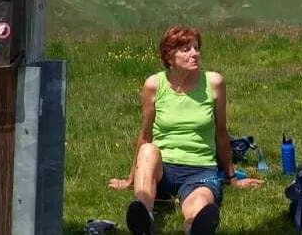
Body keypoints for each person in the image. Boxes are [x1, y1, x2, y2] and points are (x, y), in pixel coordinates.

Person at [108, 26, 263, 235]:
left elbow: (221, 132)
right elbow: (145, 135)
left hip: (200, 169)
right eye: (186, 49)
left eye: (196, 48)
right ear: (170, 56)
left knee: (199, 205)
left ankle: (193, 227)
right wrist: (130, 178)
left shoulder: (214, 83)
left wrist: (231, 177)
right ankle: (144, 217)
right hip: (162, 168)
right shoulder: (154, 85)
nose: (195, 54)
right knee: (148, 151)